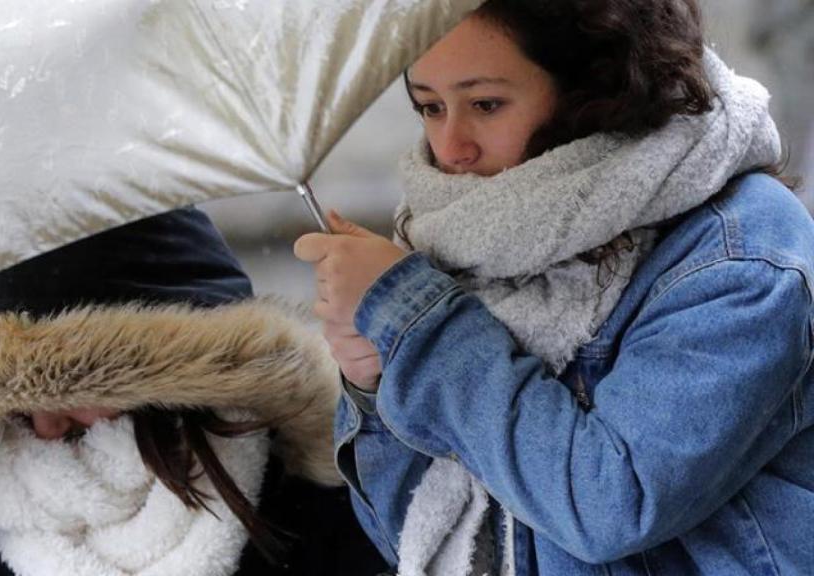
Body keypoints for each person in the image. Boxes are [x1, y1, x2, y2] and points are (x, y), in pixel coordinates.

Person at [294, 1, 813, 574]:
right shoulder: (462, 240)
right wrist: (372, 378)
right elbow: (419, 541)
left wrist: (418, 326)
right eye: (430, 107)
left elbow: (609, 505)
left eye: (485, 104)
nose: (451, 147)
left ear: (593, 87)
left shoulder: (741, 255)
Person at [0, 207, 389, 575]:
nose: (46, 429)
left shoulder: (290, 490)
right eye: (18, 408)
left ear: (162, 382)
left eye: (66, 392)